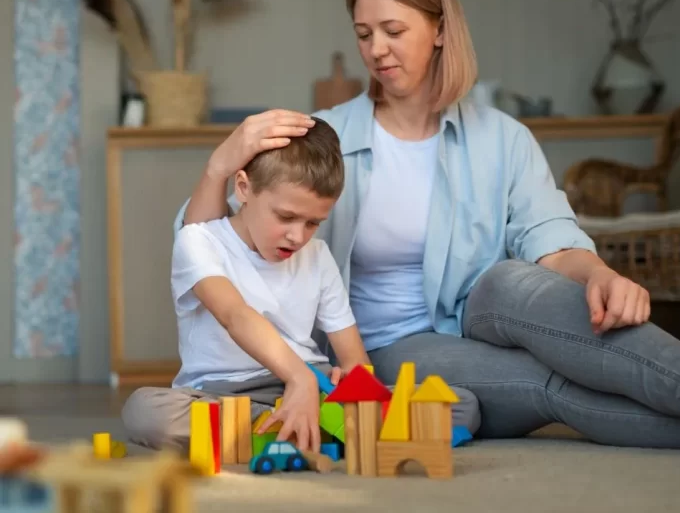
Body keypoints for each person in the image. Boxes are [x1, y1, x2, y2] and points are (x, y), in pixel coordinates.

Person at [149, 0, 680, 468]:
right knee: (551, 383)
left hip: (485, 307)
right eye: (364, 33)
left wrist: (598, 272)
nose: (376, 49)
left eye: (393, 29)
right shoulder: (323, 132)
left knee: (517, 281)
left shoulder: (500, 137)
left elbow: (552, 238)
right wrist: (220, 162)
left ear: (438, 29)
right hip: (394, 343)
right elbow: (215, 234)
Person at [121, 117, 481, 453]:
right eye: (286, 217)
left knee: (462, 405)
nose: (297, 236)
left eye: (312, 223)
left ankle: (298, 430)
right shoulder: (198, 241)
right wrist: (298, 379)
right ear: (244, 188)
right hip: (226, 393)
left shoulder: (318, 256)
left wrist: (354, 386)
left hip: (315, 384)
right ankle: (315, 431)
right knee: (146, 411)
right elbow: (234, 315)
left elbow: (353, 355)